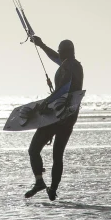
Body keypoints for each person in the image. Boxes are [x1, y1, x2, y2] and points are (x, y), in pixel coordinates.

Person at [24, 36, 84, 201]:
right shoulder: (73, 64)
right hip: (70, 117)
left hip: (57, 116)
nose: (59, 56)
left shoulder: (69, 65)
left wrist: (45, 103)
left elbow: (63, 89)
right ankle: (53, 189)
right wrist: (42, 45)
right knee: (58, 155)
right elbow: (54, 58)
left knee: (33, 150)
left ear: (64, 53)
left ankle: (39, 182)